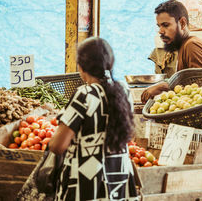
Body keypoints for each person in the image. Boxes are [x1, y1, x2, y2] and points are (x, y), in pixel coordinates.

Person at [48, 37, 138, 200]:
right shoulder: (124, 91)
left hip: (86, 180)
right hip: (118, 179)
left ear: (81, 67)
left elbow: (58, 146)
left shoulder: (85, 94)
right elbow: (129, 134)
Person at [141, 0, 202, 103]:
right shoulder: (184, 47)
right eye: (159, 26)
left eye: (166, 25)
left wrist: (165, 86)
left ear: (182, 23)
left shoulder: (192, 46)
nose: (160, 31)